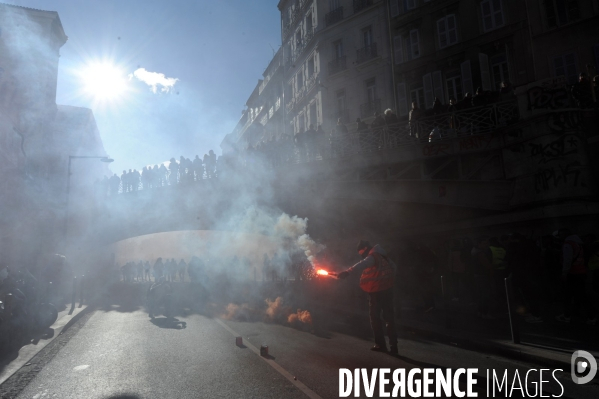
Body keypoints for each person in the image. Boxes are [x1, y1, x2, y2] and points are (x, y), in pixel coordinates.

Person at [336, 240, 398, 354]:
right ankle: (394, 347)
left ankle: (380, 344)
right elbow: (394, 268)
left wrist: (347, 272)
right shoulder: (384, 256)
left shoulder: (372, 256)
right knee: (389, 319)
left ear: (365, 249)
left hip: (376, 292)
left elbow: (362, 264)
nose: (361, 255)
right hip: (388, 291)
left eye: (361, 253)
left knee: (375, 318)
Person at [555, 229, 597, 324]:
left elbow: (567, 260)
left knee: (568, 296)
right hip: (581, 272)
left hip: (572, 273)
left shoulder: (568, 244)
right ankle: (589, 316)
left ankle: (568, 316)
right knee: (580, 295)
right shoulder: (579, 244)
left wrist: (564, 273)